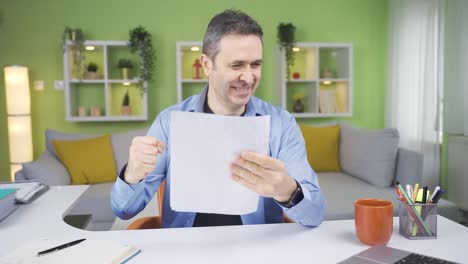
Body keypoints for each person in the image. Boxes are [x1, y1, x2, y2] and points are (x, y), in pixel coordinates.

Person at [111, 9, 326, 228]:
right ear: (206, 64)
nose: (249, 77)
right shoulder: (169, 123)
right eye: (237, 65)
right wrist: (132, 174)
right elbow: (123, 210)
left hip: (257, 252)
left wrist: (287, 190)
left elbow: (315, 215)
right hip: (186, 252)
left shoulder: (281, 125)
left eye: (256, 64)